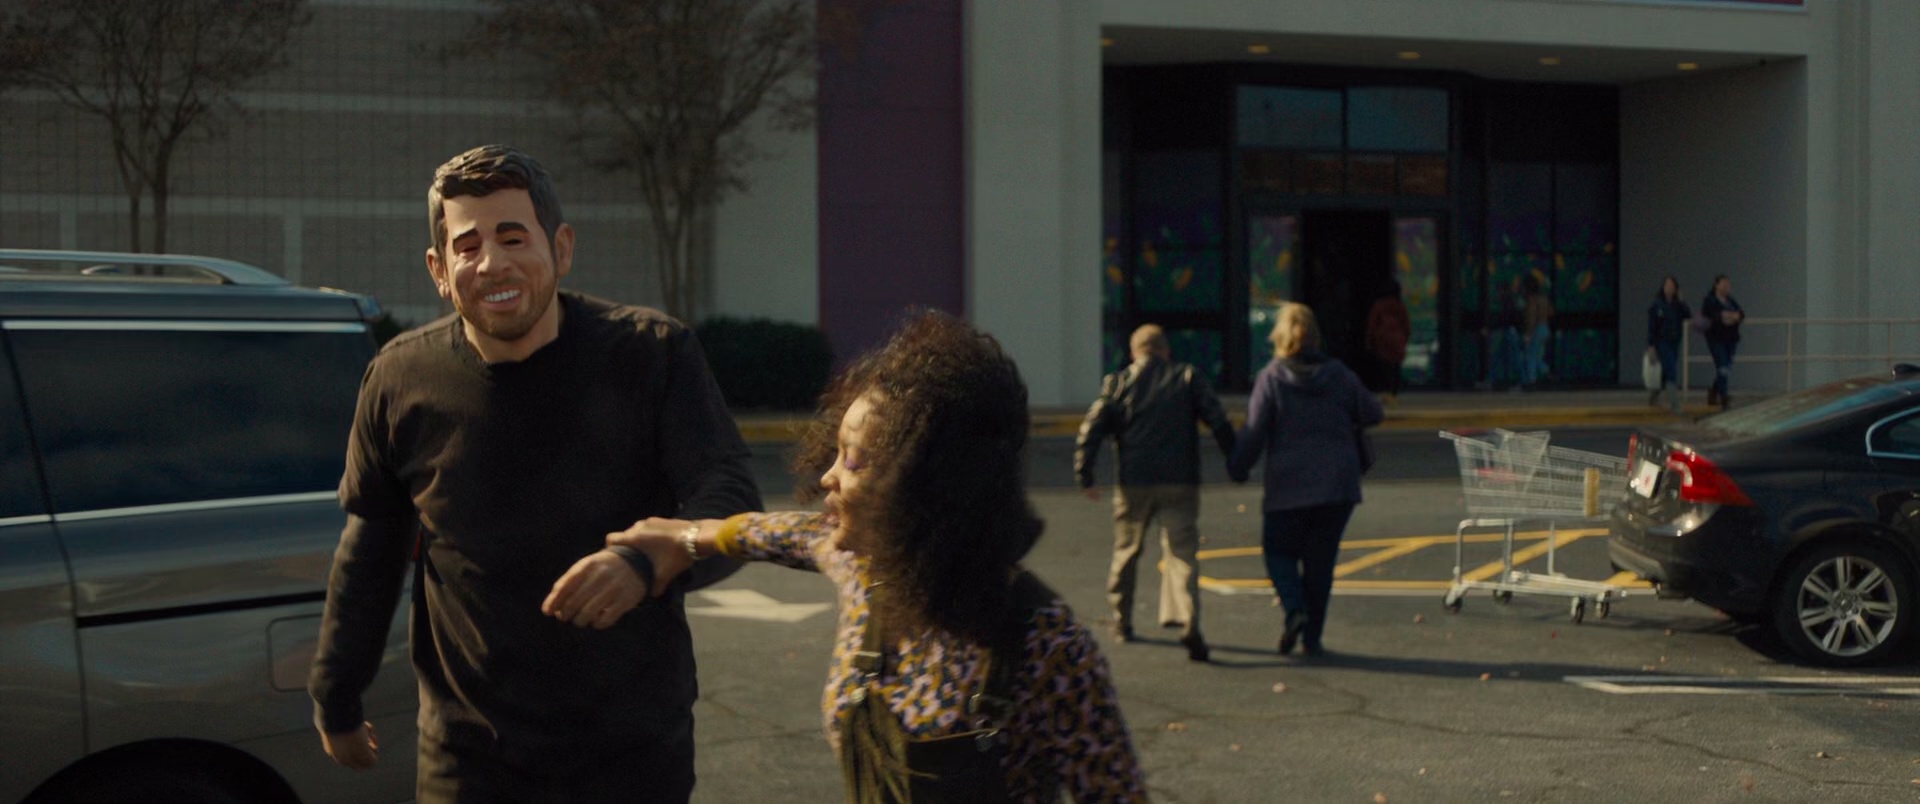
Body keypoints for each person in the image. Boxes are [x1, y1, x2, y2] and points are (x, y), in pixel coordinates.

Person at [308, 145, 762, 802]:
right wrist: (336, 695)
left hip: (630, 752)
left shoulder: (652, 354)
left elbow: (728, 495)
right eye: (467, 246)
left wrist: (645, 562)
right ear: (439, 270)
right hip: (468, 757)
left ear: (561, 248)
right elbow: (371, 549)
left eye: (513, 237)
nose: (492, 262)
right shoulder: (400, 378)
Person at [588, 311, 1148, 802]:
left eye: (854, 462)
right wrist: (688, 539)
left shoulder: (1047, 645)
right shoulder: (864, 567)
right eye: (835, 452)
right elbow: (780, 532)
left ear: (927, 485)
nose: (827, 477)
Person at [1072, 324, 1235, 663]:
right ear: (1165, 350)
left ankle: (1122, 620)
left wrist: (1085, 473)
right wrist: (1235, 459)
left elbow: (1092, 427)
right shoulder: (1187, 377)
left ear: (1135, 352)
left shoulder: (1118, 383)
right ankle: (1189, 619)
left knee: (1127, 551)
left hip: (1134, 482)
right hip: (1180, 481)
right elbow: (1217, 419)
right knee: (1182, 552)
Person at [1228, 303, 1383, 657]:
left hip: (1288, 485)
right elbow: (1373, 411)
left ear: (1279, 337)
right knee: (1320, 563)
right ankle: (1312, 639)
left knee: (1278, 551)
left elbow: (1254, 432)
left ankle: (1294, 609)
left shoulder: (1272, 378)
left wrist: (1238, 467)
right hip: (1338, 485)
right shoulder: (1339, 374)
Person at [1645, 275, 1691, 414]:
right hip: (1662, 341)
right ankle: (1675, 404)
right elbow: (1652, 327)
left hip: (1674, 341)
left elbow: (1688, 315)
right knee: (1671, 370)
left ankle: (1654, 396)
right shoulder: (1657, 305)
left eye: (1672, 286)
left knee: (1665, 371)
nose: (1669, 288)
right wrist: (1651, 345)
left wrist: (1682, 301)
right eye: (1667, 286)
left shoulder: (1678, 305)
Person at [1701, 274, 1745, 410]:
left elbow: (1741, 313)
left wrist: (1735, 316)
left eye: (1728, 284)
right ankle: (1724, 397)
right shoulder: (1710, 300)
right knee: (1722, 366)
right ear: (1717, 285)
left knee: (1726, 367)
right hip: (1716, 339)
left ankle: (1714, 391)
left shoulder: (1730, 301)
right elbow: (1709, 315)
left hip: (1731, 338)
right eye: (1724, 284)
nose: (1727, 287)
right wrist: (1723, 316)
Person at [1364, 280, 1411, 403]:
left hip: (1382, 340)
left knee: (1384, 367)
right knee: (1395, 368)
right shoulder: (1399, 306)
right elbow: (1406, 324)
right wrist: (1405, 338)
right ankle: (1393, 393)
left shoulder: (1379, 305)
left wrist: (1369, 341)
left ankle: (1386, 392)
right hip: (1398, 340)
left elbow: (1372, 324)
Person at [1520, 274, 1554, 389]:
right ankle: (1546, 371)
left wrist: (1528, 335)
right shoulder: (1544, 298)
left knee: (1530, 355)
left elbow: (1531, 318)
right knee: (1536, 355)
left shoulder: (1532, 300)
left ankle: (1531, 380)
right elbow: (1551, 312)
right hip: (1545, 327)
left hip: (1536, 329)